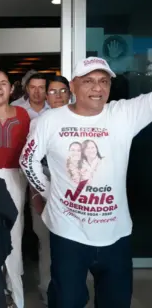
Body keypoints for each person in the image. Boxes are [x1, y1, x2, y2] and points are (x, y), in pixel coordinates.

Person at [20, 57, 152, 308]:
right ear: (73, 86)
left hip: (116, 234)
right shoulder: (50, 121)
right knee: (67, 301)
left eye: (104, 81)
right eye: (89, 81)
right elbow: (28, 161)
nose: (98, 88)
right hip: (68, 232)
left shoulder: (123, 114)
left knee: (116, 301)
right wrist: (50, 193)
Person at [0, 69, 30, 308]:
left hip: (15, 178)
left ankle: (16, 294)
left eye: (3, 83)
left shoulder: (22, 114)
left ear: (11, 89)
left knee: (14, 234)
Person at [29, 75, 71, 305]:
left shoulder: (80, 120)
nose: (58, 96)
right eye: (53, 92)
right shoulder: (39, 123)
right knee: (47, 244)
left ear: (70, 93)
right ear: (47, 96)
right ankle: (48, 291)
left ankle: (72, 292)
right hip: (45, 192)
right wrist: (38, 194)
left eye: (62, 91)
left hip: (74, 196)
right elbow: (29, 163)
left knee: (72, 246)